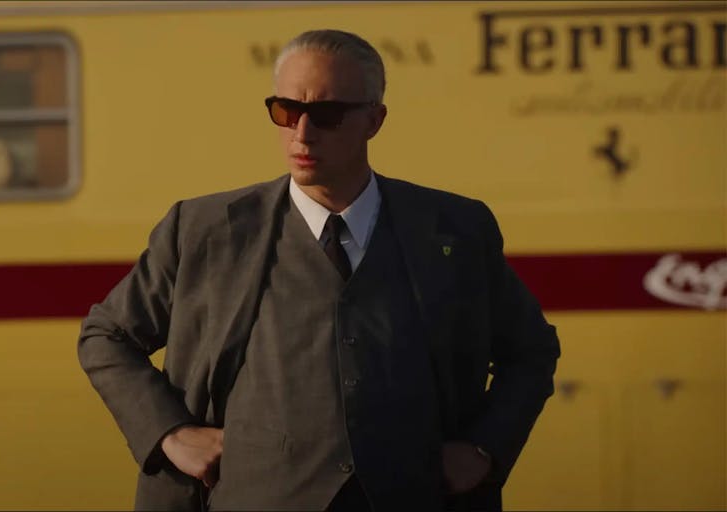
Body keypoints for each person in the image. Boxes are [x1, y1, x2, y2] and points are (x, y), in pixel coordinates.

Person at [78, 29, 560, 512]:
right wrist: (170, 433)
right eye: (285, 111)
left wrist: (484, 449)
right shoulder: (204, 230)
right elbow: (106, 335)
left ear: (375, 120)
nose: (302, 134)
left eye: (326, 116)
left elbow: (531, 351)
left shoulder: (455, 229)